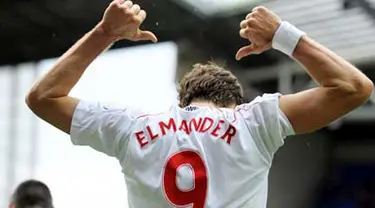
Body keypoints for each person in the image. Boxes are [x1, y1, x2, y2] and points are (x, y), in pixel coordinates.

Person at [25, 0, 373, 207]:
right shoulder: (254, 123)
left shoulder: (131, 127)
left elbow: (42, 98)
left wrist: (105, 32)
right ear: (235, 103)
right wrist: (283, 35)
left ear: (182, 100)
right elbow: (353, 87)